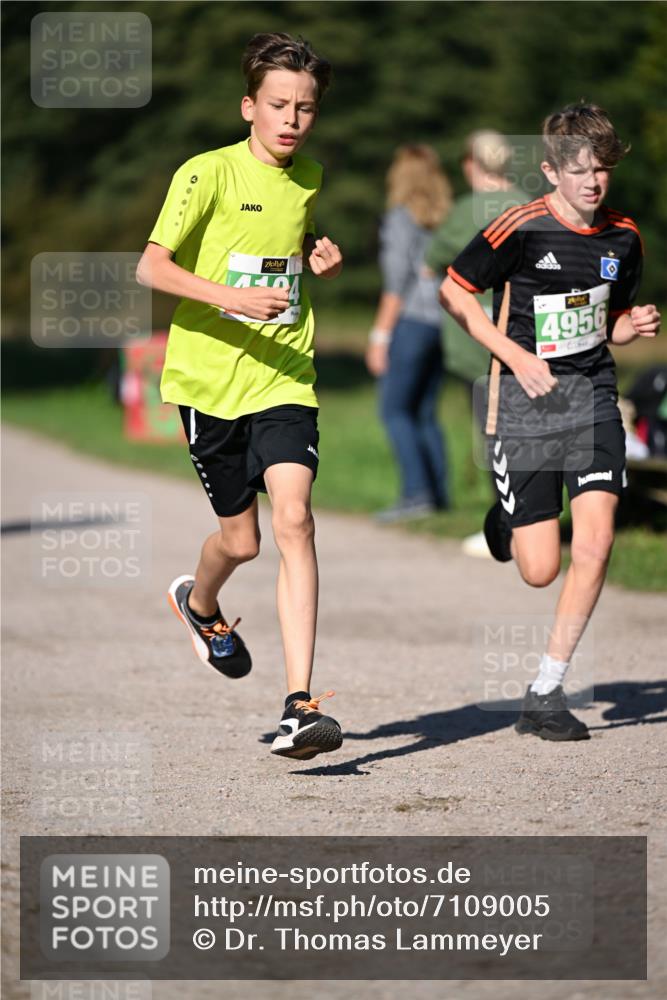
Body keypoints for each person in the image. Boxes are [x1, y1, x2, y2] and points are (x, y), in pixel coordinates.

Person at [137, 32, 344, 761]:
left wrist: (319, 251)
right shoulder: (207, 173)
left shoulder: (310, 176)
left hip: (285, 374)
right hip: (208, 381)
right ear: (249, 106)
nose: (292, 119)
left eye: (306, 108)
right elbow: (151, 267)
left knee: (295, 520)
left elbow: (289, 239)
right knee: (242, 540)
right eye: (279, 105)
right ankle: (199, 605)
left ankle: (301, 704)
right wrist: (229, 296)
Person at [440, 103, 660, 741]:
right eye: (579, 170)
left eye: (602, 171)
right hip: (522, 405)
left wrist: (631, 326)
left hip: (590, 398)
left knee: (594, 541)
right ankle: (507, 519)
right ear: (551, 170)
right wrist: (510, 353)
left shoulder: (624, 237)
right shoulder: (521, 226)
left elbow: (608, 323)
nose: (592, 182)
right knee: (539, 567)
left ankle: (544, 690)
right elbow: (453, 290)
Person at [425, 131, 527, 555]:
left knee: (494, 436)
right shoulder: (526, 202)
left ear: (472, 165)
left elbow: (433, 262)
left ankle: (509, 530)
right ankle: (533, 521)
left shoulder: (468, 209)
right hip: (528, 334)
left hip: (479, 340)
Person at [365, 145, 452, 521]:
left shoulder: (400, 219)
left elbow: (396, 282)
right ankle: (437, 496)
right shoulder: (446, 219)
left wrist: (380, 336)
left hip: (413, 322)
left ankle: (416, 495)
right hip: (445, 322)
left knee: (394, 410)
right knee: (426, 413)